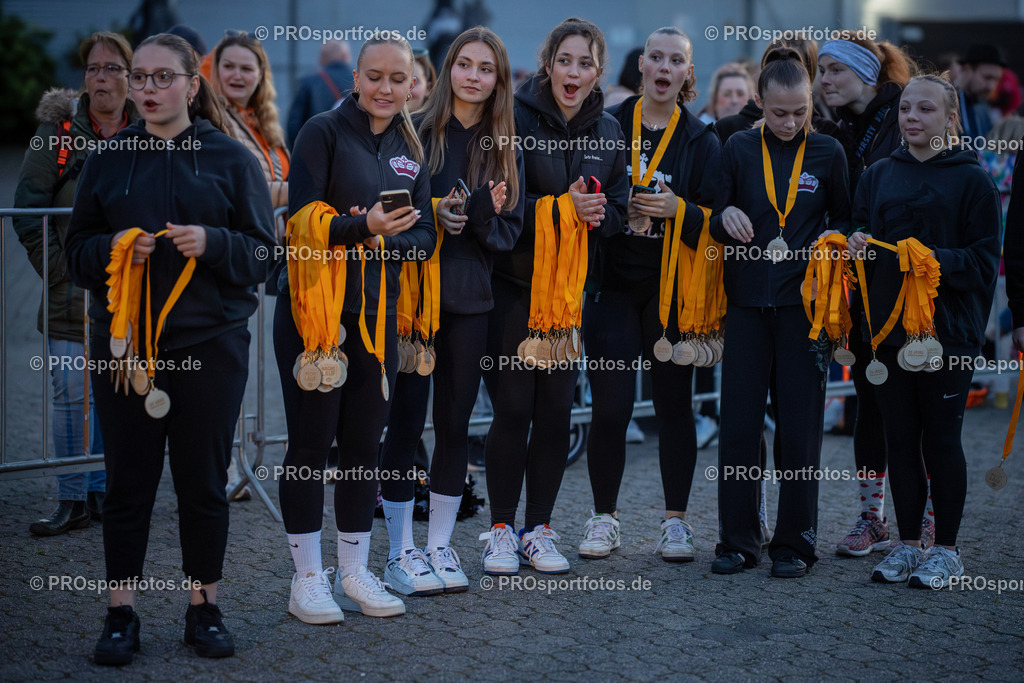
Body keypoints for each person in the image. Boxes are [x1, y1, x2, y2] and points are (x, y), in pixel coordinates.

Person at [64, 32, 275, 664]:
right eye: (141, 78)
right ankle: (120, 613)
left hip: (211, 347)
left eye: (163, 78)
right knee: (129, 485)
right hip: (125, 350)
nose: (149, 90)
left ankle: (203, 607)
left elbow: (263, 256)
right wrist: (114, 248)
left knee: (203, 485)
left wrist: (212, 242)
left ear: (192, 84)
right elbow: (75, 252)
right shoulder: (106, 159)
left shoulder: (233, 160)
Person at [274, 33, 436, 623]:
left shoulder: (411, 142)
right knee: (311, 446)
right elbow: (302, 219)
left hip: (377, 317)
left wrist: (389, 238)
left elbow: (424, 236)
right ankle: (306, 580)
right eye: (375, 76)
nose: (386, 88)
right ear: (357, 76)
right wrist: (365, 228)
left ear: (413, 82)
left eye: (399, 78)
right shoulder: (321, 130)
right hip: (315, 317)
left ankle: (354, 571)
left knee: (364, 447)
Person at [479, 17, 628, 575]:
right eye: (564, 60)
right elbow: (507, 204)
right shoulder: (513, 116)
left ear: (598, 72)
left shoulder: (609, 131)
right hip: (515, 286)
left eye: (584, 63)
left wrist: (598, 215)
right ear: (548, 64)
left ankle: (538, 528)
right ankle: (498, 529)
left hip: (568, 299)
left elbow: (617, 211)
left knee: (558, 414)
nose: (573, 71)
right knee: (514, 408)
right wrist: (561, 206)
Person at [378, 26, 524, 595]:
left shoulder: (503, 144)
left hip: (470, 300)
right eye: (464, 64)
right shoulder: (412, 132)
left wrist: (481, 215)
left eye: (485, 69)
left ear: (498, 80)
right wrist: (435, 214)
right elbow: (389, 212)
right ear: (449, 69)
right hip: (412, 301)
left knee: (456, 425)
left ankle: (440, 547)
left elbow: (509, 233)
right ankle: (398, 551)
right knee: (406, 423)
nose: (473, 76)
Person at [847, 74, 1000, 588]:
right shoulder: (877, 173)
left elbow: (983, 262)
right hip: (889, 334)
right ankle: (909, 545)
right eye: (906, 108)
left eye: (926, 110)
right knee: (899, 440)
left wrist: (933, 261)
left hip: (948, 334)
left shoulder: (973, 181)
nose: (912, 117)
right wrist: (854, 246)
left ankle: (948, 549)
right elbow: (861, 234)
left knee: (941, 440)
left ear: (951, 119)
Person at [579, 26, 722, 562]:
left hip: (673, 297)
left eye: (676, 60)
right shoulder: (608, 126)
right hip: (613, 288)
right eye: (655, 57)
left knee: (674, 409)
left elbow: (717, 218)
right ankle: (603, 518)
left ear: (688, 73)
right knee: (611, 410)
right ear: (640, 65)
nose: (664, 68)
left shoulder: (701, 139)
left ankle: (676, 523)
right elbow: (585, 197)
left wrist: (677, 210)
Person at [710, 47, 851, 579]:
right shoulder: (739, 147)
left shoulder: (829, 152)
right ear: (759, 103)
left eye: (800, 112)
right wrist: (726, 216)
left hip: (805, 312)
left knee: (799, 429)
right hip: (746, 305)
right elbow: (716, 215)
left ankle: (795, 542)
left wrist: (836, 237)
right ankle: (738, 541)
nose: (790, 123)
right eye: (778, 112)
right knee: (740, 428)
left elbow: (845, 215)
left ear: (810, 103)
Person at [14, 32, 137, 536]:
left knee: (114, 391)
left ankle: (103, 490)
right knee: (70, 393)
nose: (101, 77)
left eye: (112, 68)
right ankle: (71, 497)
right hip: (70, 294)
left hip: (130, 297)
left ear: (131, 76)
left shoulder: (149, 130)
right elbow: (28, 214)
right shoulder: (57, 134)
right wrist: (66, 272)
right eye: (92, 68)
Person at [815, 33, 920, 557]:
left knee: (909, 409)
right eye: (821, 71)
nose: (824, 80)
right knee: (869, 408)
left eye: (834, 70)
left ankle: (919, 519)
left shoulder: (902, 117)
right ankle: (870, 518)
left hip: (906, 294)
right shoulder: (839, 127)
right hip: (858, 298)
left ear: (866, 73)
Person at [211, 31, 289, 211]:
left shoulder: (264, 119)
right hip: (242, 234)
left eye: (246, 69)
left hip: (273, 234)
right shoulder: (212, 119)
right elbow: (235, 190)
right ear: (217, 69)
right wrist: (300, 191)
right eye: (228, 66)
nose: (236, 75)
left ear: (261, 73)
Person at [286, 41, 354, 147]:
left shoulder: (309, 82)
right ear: (345, 55)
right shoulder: (362, 81)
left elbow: (294, 126)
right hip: (352, 153)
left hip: (316, 151)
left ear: (321, 59)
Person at [955, 44, 1005, 139]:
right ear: (967, 69)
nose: (991, 86)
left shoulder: (982, 107)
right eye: (987, 77)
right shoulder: (946, 107)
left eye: (996, 80)